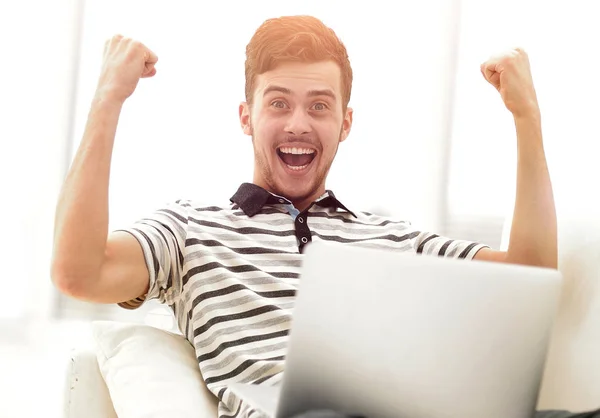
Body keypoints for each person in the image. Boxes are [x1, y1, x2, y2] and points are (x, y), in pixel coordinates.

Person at [51, 14, 598, 418]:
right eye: (278, 103)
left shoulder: (391, 238)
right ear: (247, 117)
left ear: (345, 122)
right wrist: (108, 99)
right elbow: (80, 271)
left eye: (319, 106)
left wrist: (527, 118)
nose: (297, 123)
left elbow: (528, 278)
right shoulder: (189, 229)